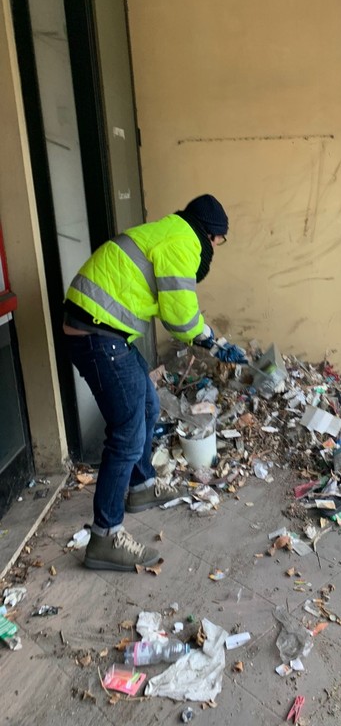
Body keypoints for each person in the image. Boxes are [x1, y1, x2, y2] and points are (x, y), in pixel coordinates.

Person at [63, 194, 228, 571]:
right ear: (210, 234)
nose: (217, 248)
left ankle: (141, 487)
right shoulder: (184, 242)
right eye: (220, 240)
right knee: (127, 433)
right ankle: (104, 537)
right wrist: (212, 341)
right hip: (96, 334)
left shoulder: (171, 231)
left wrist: (207, 336)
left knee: (149, 406)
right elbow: (180, 318)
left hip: (104, 330)